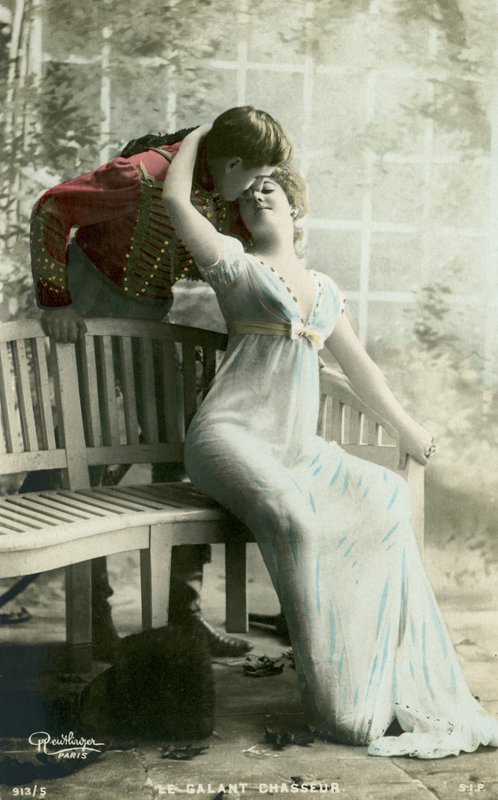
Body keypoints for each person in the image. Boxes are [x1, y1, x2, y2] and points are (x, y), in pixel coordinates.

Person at [162, 124, 498, 758]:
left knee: (387, 497)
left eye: (270, 188)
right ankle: (334, 701)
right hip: (228, 436)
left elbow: (363, 372)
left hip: (297, 448)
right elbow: (176, 201)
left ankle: (373, 671)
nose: (256, 194)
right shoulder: (234, 265)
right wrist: (202, 136)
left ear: (296, 210)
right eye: (248, 191)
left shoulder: (326, 292)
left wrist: (408, 430)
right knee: (297, 519)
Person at [26, 106, 294, 661]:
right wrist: (57, 301)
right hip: (90, 305)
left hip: (149, 314)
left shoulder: (224, 190)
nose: (256, 189)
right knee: (88, 460)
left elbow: (244, 247)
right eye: (256, 176)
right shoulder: (143, 173)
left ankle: (184, 617)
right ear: (233, 163)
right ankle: (94, 620)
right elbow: (51, 208)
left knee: (187, 449)